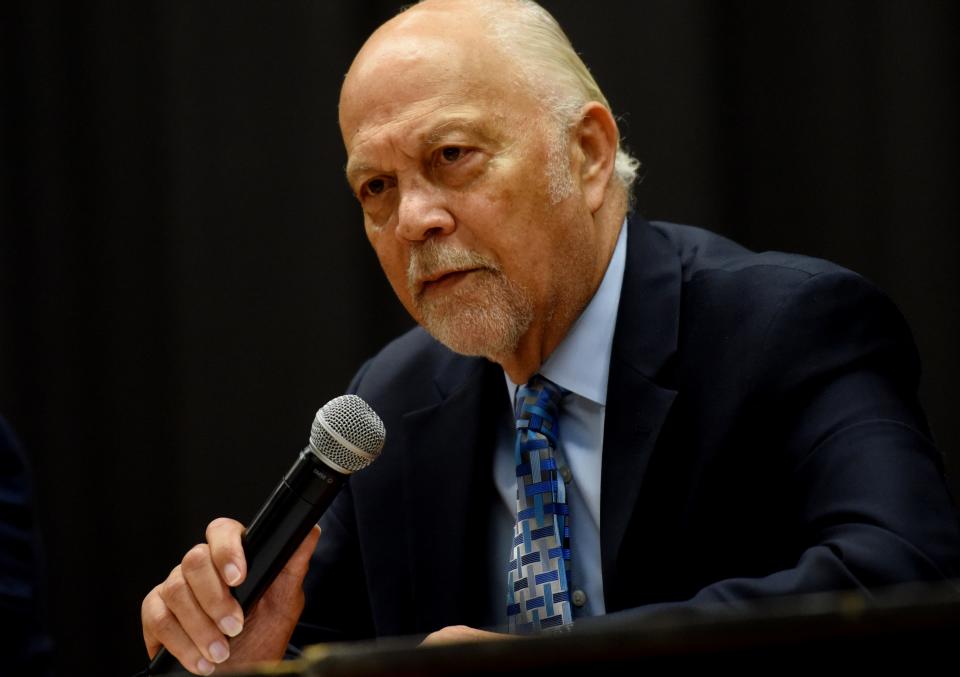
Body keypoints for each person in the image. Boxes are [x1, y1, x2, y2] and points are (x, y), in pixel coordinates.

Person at [140, 0, 960, 674]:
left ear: (589, 152)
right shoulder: (390, 404)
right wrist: (245, 655)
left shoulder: (789, 327)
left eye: (453, 155)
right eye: (376, 187)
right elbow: (325, 645)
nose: (413, 220)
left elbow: (902, 577)